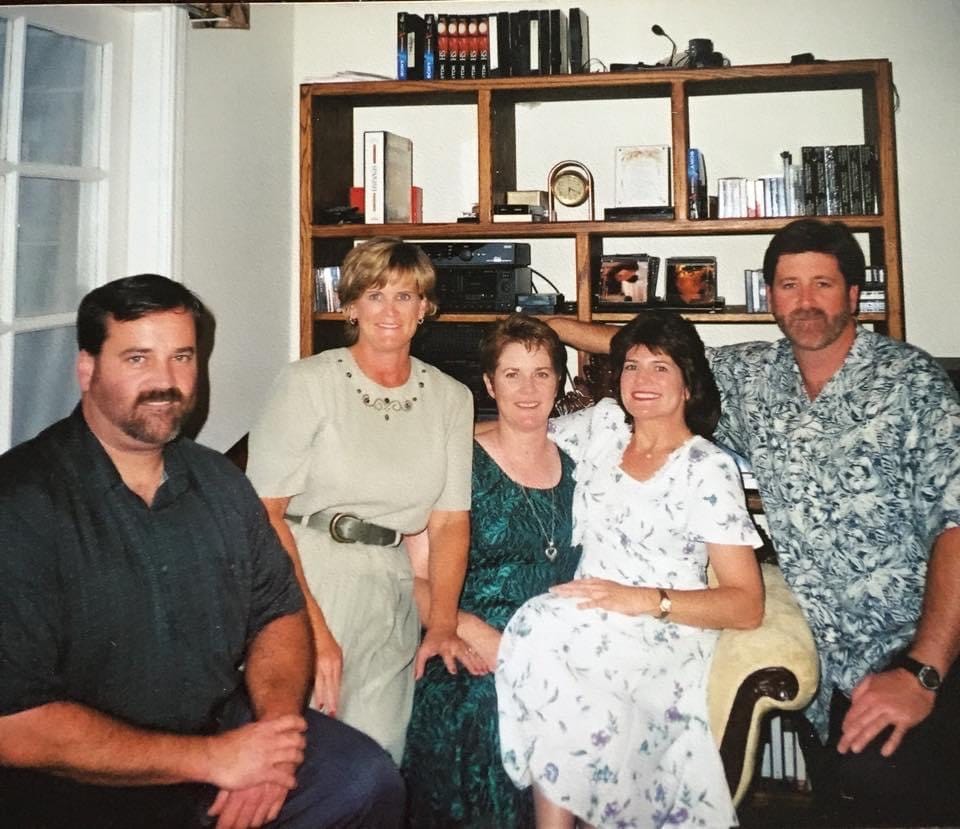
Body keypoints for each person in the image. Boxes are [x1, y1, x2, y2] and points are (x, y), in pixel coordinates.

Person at [546, 218, 960, 825]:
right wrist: (543, 328)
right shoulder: (754, 377)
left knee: (890, 783)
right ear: (771, 297)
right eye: (789, 285)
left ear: (854, 295)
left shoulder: (912, 383)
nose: (806, 301)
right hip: (834, 662)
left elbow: (956, 522)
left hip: (925, 645)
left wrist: (922, 669)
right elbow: (643, 351)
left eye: (823, 284)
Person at [0, 274, 404, 829]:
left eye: (182, 357)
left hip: (221, 731)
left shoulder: (219, 481)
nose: (166, 381)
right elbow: (14, 726)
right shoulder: (22, 501)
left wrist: (273, 739)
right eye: (138, 358)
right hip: (85, 779)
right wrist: (215, 760)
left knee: (363, 779)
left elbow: (280, 616)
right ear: (87, 368)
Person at [496, 311, 764, 829]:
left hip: (663, 629)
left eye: (660, 368)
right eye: (632, 366)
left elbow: (746, 604)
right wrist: (438, 435)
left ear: (689, 383)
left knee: (581, 690)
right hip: (588, 613)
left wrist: (645, 600)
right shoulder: (601, 428)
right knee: (548, 644)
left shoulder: (706, 468)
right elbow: (518, 433)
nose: (642, 382)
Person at [245, 237, 477, 764]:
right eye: (375, 295)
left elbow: (448, 523)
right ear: (349, 306)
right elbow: (265, 515)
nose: (390, 311)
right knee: (297, 767)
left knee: (376, 763)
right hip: (303, 580)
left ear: (425, 308)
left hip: (390, 591)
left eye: (405, 296)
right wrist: (313, 633)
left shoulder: (450, 398)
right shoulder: (307, 382)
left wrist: (442, 623)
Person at [402, 315, 581, 828]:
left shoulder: (579, 469)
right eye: (512, 374)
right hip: (463, 634)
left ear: (559, 382)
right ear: (488, 383)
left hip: (552, 645)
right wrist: (468, 627)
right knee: (478, 710)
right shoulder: (457, 460)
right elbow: (414, 578)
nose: (528, 389)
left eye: (542, 374)